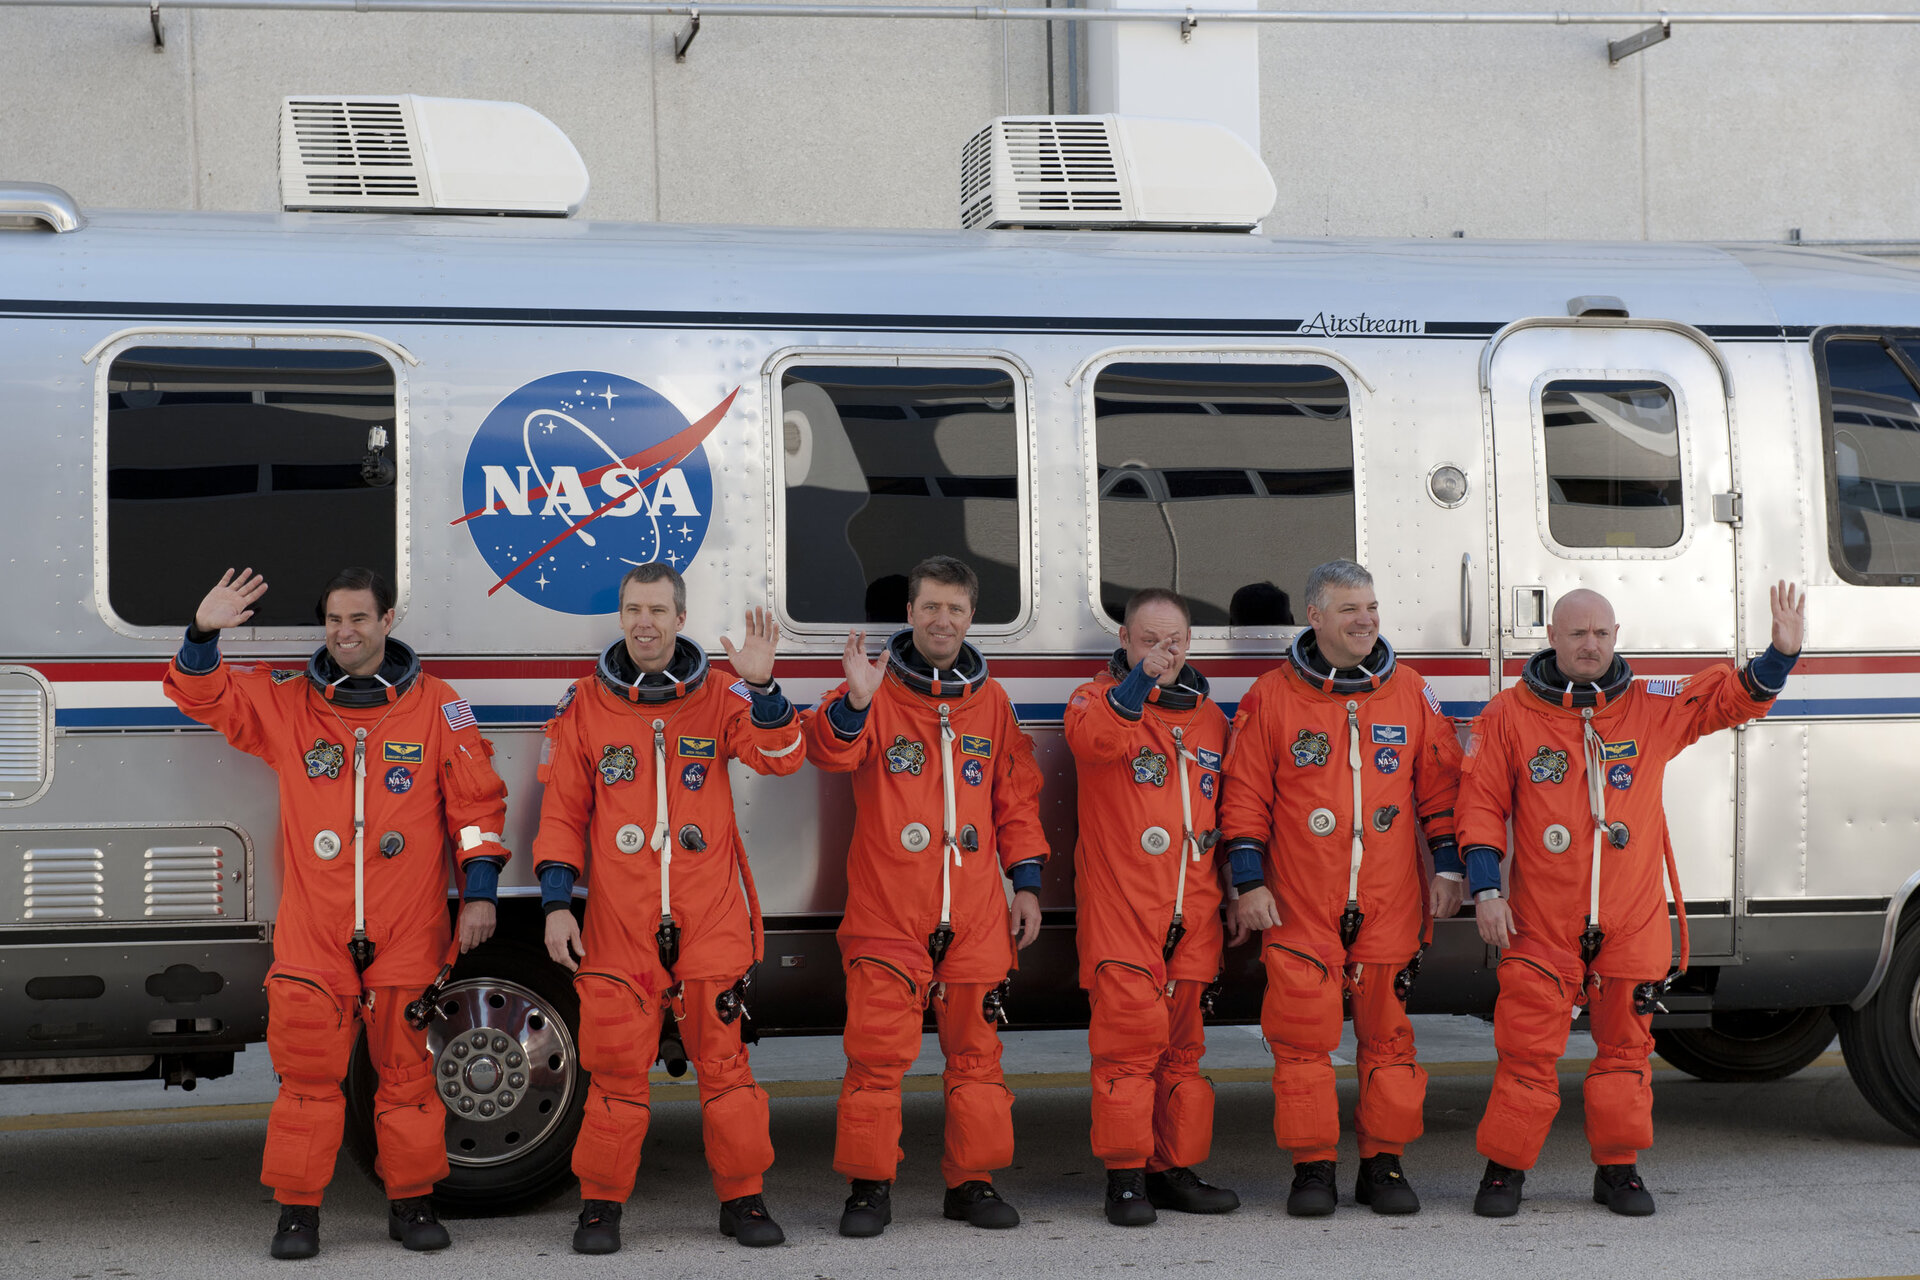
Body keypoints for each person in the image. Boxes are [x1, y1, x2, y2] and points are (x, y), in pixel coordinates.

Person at [163, 567, 510, 1260]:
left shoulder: (439, 707)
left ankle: (411, 1203)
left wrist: (479, 892)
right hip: (315, 934)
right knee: (307, 1082)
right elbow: (206, 696)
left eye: (358, 618)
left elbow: (477, 808)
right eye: (333, 620)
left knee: (408, 1078)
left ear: (387, 621)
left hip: (407, 929)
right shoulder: (291, 703)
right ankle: (298, 1213)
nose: (344, 632)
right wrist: (202, 631)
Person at [1461, 583, 1804, 1218]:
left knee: (1625, 1051)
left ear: (1616, 637)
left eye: (1600, 634)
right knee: (1527, 1050)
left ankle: (1618, 1171)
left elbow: (1726, 702)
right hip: (1542, 920)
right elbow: (1479, 806)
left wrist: (1779, 656)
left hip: (1631, 916)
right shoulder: (1508, 716)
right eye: (1576, 634)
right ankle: (1505, 1169)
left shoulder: (1648, 707)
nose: (1589, 646)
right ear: (1552, 639)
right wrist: (1485, 889)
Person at [531, 564, 806, 1254]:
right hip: (619, 927)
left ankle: (743, 1199)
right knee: (617, 1072)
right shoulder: (584, 705)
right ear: (620, 618)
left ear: (679, 618)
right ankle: (601, 1206)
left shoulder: (720, 695)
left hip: (708, 918)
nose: (644, 622)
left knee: (726, 1070)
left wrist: (765, 686)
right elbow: (561, 813)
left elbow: (781, 758)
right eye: (632, 609)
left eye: (657, 609)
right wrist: (558, 906)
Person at [803, 555, 1050, 1237]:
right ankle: (869, 1188)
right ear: (909, 614)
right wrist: (855, 701)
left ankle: (971, 1184)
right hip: (889, 911)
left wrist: (1025, 884)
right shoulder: (874, 691)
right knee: (878, 1058)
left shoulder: (990, 702)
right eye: (931, 607)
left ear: (973, 617)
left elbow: (1016, 800)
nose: (944, 620)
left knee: (976, 1059)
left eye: (957, 609)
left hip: (973, 913)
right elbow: (826, 751)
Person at [1220, 560, 1463, 1217]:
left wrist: (1448, 869)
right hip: (1300, 902)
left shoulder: (1410, 692)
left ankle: (1382, 1166)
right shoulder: (1270, 697)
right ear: (1316, 618)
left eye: (1373, 607)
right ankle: (1314, 1170)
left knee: (1388, 1043)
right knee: (1302, 1043)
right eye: (1351, 609)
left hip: (1389, 901)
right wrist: (1248, 882)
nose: (1366, 620)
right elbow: (1243, 798)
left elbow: (1440, 788)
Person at [1065, 587, 1241, 1226]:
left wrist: (1237, 893)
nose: (1162, 653)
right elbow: (1095, 745)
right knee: (1126, 1050)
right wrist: (1139, 684)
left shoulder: (1212, 720)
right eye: (1148, 641)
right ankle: (1125, 1178)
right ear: (1124, 642)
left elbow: (1228, 814)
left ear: (1188, 643)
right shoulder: (1094, 702)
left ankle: (1172, 1170)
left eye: (1172, 643)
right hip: (1123, 909)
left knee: (1183, 1055)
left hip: (1192, 908)